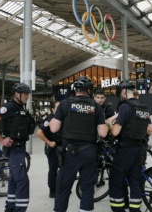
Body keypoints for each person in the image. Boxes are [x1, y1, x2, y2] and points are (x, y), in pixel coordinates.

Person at [49, 76, 108, 212]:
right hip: (89, 153)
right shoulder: (95, 106)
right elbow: (103, 133)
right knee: (87, 189)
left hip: (69, 153)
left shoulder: (65, 104)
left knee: (63, 187)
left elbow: (53, 128)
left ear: (76, 90)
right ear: (89, 91)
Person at [106, 79, 152, 212]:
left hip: (125, 149)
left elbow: (115, 132)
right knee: (134, 181)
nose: (120, 96)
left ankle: (118, 209)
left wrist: (109, 123)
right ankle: (135, 210)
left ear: (125, 92)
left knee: (116, 180)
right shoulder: (143, 107)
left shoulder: (125, 107)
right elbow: (150, 130)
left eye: (120, 93)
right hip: (139, 149)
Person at [0, 83, 34, 212]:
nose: (27, 97)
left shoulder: (20, 108)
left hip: (19, 148)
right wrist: (1, 140)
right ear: (17, 94)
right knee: (22, 181)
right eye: (25, 94)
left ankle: (10, 208)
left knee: (13, 180)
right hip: (14, 149)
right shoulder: (9, 107)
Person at [37, 100, 61, 198]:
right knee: (53, 169)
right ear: (52, 109)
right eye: (57, 108)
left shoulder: (62, 118)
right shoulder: (50, 119)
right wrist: (49, 142)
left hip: (61, 148)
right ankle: (52, 190)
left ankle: (60, 188)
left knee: (62, 169)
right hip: (52, 149)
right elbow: (39, 133)